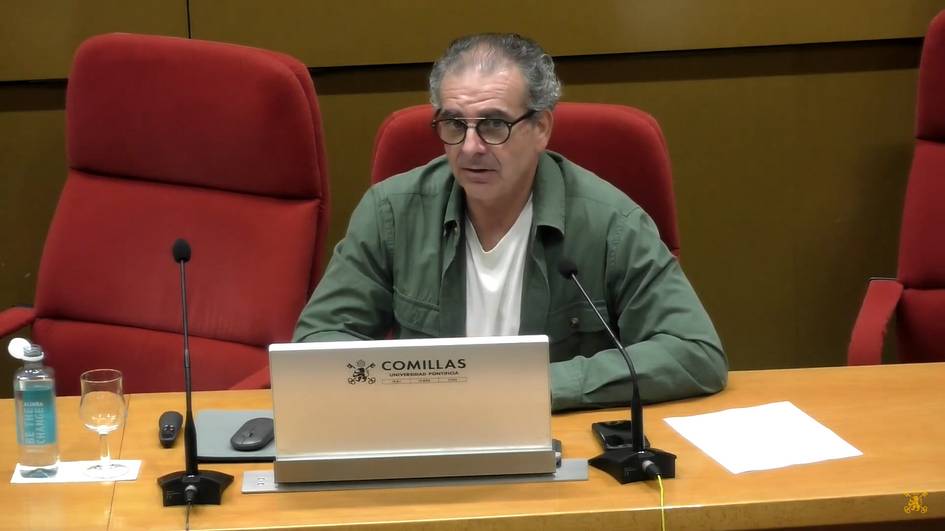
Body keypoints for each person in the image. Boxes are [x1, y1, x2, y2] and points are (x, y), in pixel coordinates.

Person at [294, 33, 727, 411]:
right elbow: (317, 341)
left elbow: (694, 353)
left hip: (555, 437)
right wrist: (410, 389)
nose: (470, 148)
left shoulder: (611, 222)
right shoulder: (391, 212)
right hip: (427, 430)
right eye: (453, 124)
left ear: (541, 128)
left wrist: (535, 387)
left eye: (494, 125)